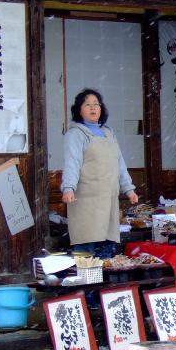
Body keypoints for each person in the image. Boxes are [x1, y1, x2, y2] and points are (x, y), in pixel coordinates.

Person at [61, 89, 138, 259]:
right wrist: (68, 188)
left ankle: (103, 284)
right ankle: (88, 285)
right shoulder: (76, 134)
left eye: (96, 104)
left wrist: (129, 189)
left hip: (109, 200)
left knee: (107, 250)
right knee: (86, 251)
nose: (93, 108)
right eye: (87, 105)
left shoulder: (109, 133)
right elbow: (71, 163)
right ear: (79, 110)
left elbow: (120, 163)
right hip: (86, 202)